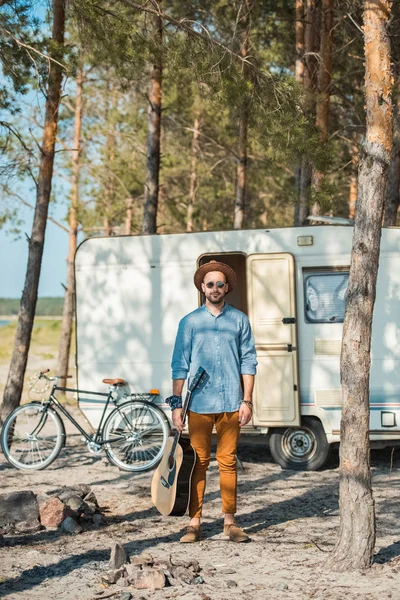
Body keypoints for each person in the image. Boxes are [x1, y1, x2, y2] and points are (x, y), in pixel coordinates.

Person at [167, 260, 257, 543]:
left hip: (232, 401)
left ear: (226, 287)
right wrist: (176, 405)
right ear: (202, 288)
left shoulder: (239, 320)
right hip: (199, 405)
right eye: (210, 284)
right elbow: (179, 365)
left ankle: (230, 523)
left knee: (228, 461)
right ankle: (194, 523)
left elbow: (249, 361)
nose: (215, 288)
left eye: (220, 283)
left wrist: (247, 400)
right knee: (199, 462)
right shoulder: (190, 322)